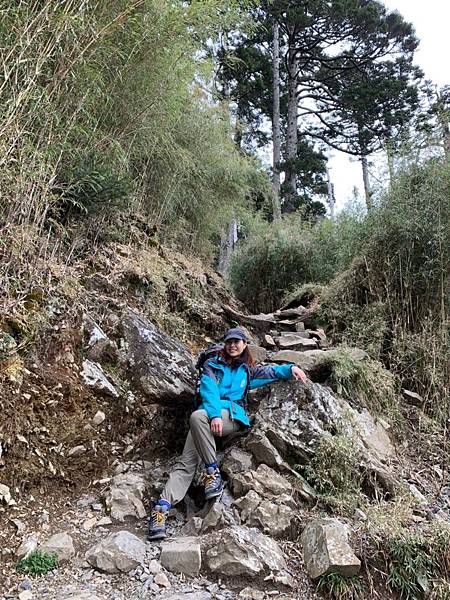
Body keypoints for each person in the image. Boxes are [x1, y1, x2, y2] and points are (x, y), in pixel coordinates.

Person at [148, 327, 307, 541]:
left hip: (232, 418)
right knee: (186, 462)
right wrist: (214, 415)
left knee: (197, 417)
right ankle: (162, 510)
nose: (233, 345)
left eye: (237, 341)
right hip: (209, 418)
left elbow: (271, 373)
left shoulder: (248, 370)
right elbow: (209, 391)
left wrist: (291, 368)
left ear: (244, 345)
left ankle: (211, 472)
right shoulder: (211, 365)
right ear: (224, 344)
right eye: (229, 341)